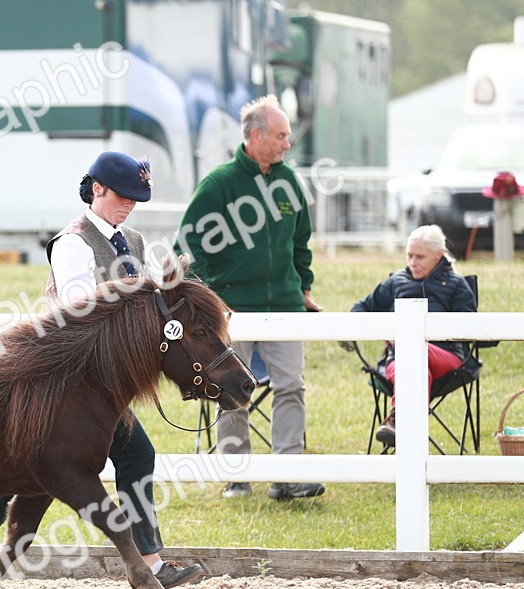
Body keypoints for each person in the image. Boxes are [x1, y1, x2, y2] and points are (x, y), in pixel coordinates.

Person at [0, 151, 204, 589]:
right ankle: (149, 563)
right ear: (97, 189)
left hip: (102, 383)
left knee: (36, 465)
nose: (129, 204)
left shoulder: (132, 240)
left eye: (136, 198)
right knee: (76, 459)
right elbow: (80, 307)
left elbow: (157, 297)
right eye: (122, 195)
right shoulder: (73, 242)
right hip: (67, 378)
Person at [176, 95, 324, 501]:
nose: (287, 144)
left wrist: (304, 285)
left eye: (287, 136)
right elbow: (186, 246)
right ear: (255, 136)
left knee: (291, 386)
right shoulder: (219, 184)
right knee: (230, 389)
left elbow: (301, 242)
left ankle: (286, 476)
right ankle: (236, 476)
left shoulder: (290, 181)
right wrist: (209, 297)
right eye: (280, 135)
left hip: (286, 308)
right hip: (233, 311)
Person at [351, 224, 476, 445]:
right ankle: (407, 432)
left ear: (439, 256)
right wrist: (383, 329)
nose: (412, 262)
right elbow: (359, 310)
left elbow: (468, 328)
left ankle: (398, 419)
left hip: (447, 357)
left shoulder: (457, 284)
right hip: (397, 361)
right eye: (409, 255)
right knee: (417, 367)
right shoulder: (395, 281)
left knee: (415, 348)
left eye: (420, 256)